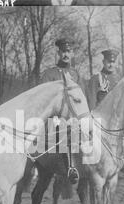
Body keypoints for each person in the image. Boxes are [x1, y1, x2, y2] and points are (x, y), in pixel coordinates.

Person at [40, 37, 81, 184]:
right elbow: (43, 100)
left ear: (72, 54)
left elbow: (80, 99)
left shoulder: (75, 74)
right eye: (63, 51)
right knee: (65, 127)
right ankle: (71, 168)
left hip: (72, 117)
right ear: (58, 52)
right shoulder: (49, 74)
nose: (66, 55)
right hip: (53, 119)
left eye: (69, 51)